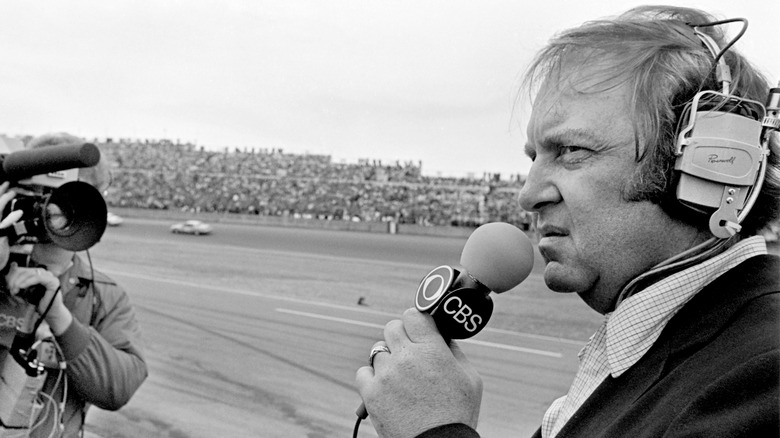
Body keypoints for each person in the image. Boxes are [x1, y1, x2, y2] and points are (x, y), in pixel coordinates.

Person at [355, 5, 779, 438]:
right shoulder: (652, 343)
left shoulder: (765, 375)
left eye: (572, 151)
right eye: (534, 157)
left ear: (708, 168)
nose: (528, 195)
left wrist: (435, 430)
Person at [0, 132, 148, 437]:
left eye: (66, 202)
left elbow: (117, 389)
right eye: (38, 197)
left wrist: (60, 319)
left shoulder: (102, 295)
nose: (50, 213)